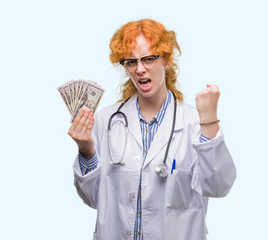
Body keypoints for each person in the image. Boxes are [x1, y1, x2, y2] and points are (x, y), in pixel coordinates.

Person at [68, 19, 236, 240]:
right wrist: (86, 151)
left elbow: (218, 186)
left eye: (148, 59)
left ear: (166, 59)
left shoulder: (195, 122)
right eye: (130, 62)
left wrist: (210, 121)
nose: (139, 69)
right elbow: (93, 199)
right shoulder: (106, 121)